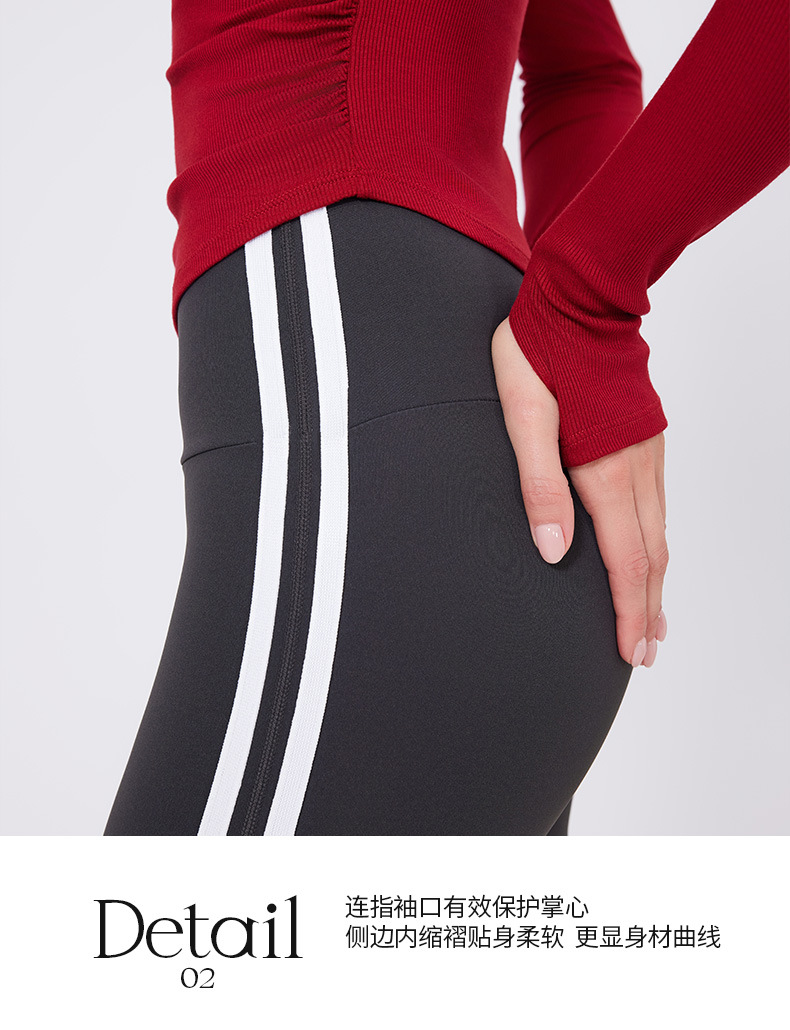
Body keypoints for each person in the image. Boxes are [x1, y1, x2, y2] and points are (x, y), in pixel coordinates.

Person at [103, 0, 789, 836]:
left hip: (373, 432)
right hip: (459, 461)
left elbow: (589, 77)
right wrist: (562, 334)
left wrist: (583, 308)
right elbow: (585, 71)